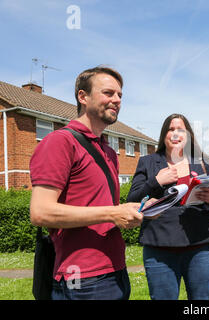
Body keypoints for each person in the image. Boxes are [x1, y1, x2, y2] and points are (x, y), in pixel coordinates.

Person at [29, 66, 152, 300]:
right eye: (108, 93)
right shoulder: (60, 142)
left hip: (115, 268)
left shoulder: (108, 150)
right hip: (82, 277)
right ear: (82, 97)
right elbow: (40, 212)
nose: (116, 100)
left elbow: (101, 207)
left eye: (120, 95)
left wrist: (139, 210)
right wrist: (112, 213)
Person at [127, 113, 209, 300]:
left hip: (200, 246)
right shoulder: (148, 162)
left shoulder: (202, 162)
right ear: (164, 135)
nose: (175, 134)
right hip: (159, 248)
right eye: (171, 129)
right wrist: (156, 181)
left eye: (180, 129)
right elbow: (133, 199)